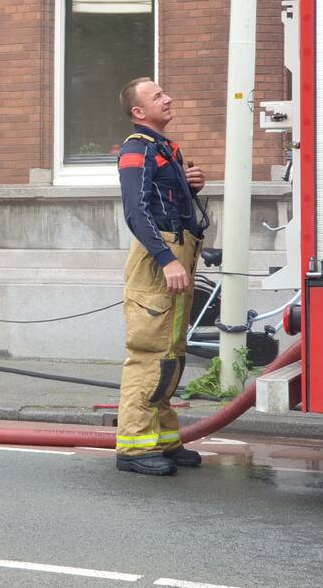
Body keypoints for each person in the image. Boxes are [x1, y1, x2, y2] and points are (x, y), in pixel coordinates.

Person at [115, 78, 207, 476]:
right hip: (159, 262)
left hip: (176, 255)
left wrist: (189, 187)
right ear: (138, 112)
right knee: (150, 354)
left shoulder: (164, 150)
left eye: (165, 92)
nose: (167, 98)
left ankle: (164, 440)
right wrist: (168, 259)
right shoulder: (136, 150)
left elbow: (161, 202)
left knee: (171, 352)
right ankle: (133, 449)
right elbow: (136, 212)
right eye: (156, 96)